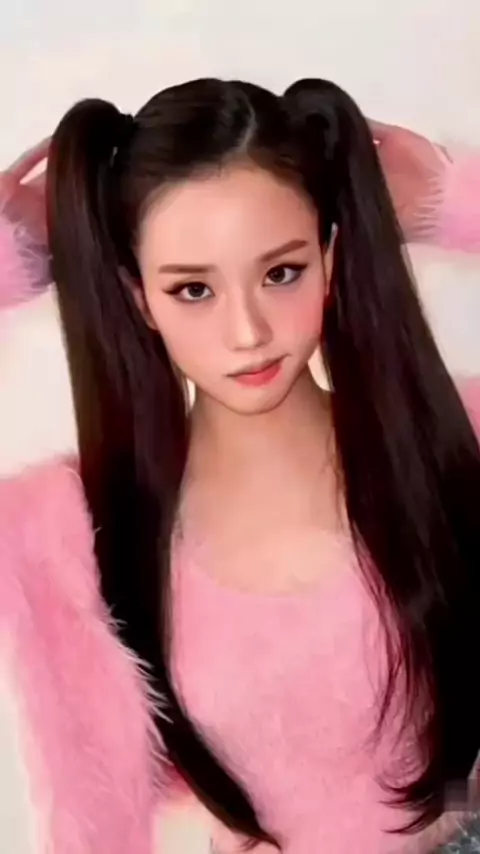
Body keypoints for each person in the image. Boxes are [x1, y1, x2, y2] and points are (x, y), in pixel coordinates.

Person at [0, 78, 479, 854]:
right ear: (138, 297)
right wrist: (8, 256)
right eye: (194, 289)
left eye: (281, 273)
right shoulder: (68, 535)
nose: (248, 331)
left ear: (330, 256)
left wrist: (451, 204)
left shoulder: (453, 437)